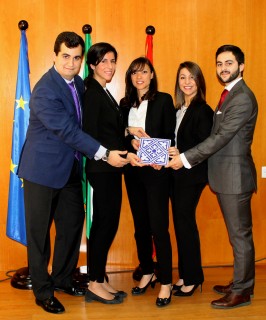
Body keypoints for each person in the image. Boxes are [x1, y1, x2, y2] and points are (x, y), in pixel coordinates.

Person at [17, 32, 128, 314]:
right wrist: (104, 153)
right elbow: (67, 131)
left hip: (69, 170)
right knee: (39, 235)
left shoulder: (78, 83)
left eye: (77, 57)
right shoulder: (45, 89)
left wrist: (125, 132)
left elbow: (89, 122)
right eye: (66, 56)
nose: (71, 62)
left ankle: (63, 278)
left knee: (71, 226)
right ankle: (43, 291)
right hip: (41, 172)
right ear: (55, 55)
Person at [166, 45, 258, 309]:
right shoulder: (230, 94)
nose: (223, 68)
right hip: (225, 176)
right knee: (237, 236)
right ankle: (241, 282)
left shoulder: (241, 97)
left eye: (229, 63)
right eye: (219, 64)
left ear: (241, 66)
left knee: (239, 236)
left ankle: (241, 291)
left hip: (234, 177)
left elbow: (219, 138)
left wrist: (183, 159)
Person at [82, 43, 142, 305]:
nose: (109, 66)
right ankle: (94, 283)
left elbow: (108, 129)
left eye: (113, 61)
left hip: (112, 168)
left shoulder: (102, 91)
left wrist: (128, 131)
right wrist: (112, 154)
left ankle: (99, 277)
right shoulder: (91, 92)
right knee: (104, 226)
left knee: (109, 225)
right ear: (92, 64)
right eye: (103, 61)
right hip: (102, 168)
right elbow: (90, 134)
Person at [120, 57, 176, 307]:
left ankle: (165, 281)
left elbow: (168, 133)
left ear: (152, 74)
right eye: (134, 72)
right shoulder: (124, 103)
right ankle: (147, 271)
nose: (139, 76)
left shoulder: (163, 100)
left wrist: (156, 156)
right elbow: (117, 134)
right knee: (140, 226)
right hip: (133, 172)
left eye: (144, 72)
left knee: (158, 227)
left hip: (156, 171)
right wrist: (129, 138)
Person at [168, 62, 213, 297]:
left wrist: (180, 153)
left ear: (199, 81)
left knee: (185, 224)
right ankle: (186, 274)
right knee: (181, 225)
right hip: (177, 174)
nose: (187, 82)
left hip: (192, 175)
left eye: (191, 78)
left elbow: (204, 146)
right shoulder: (178, 109)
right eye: (182, 77)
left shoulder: (203, 110)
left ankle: (194, 278)